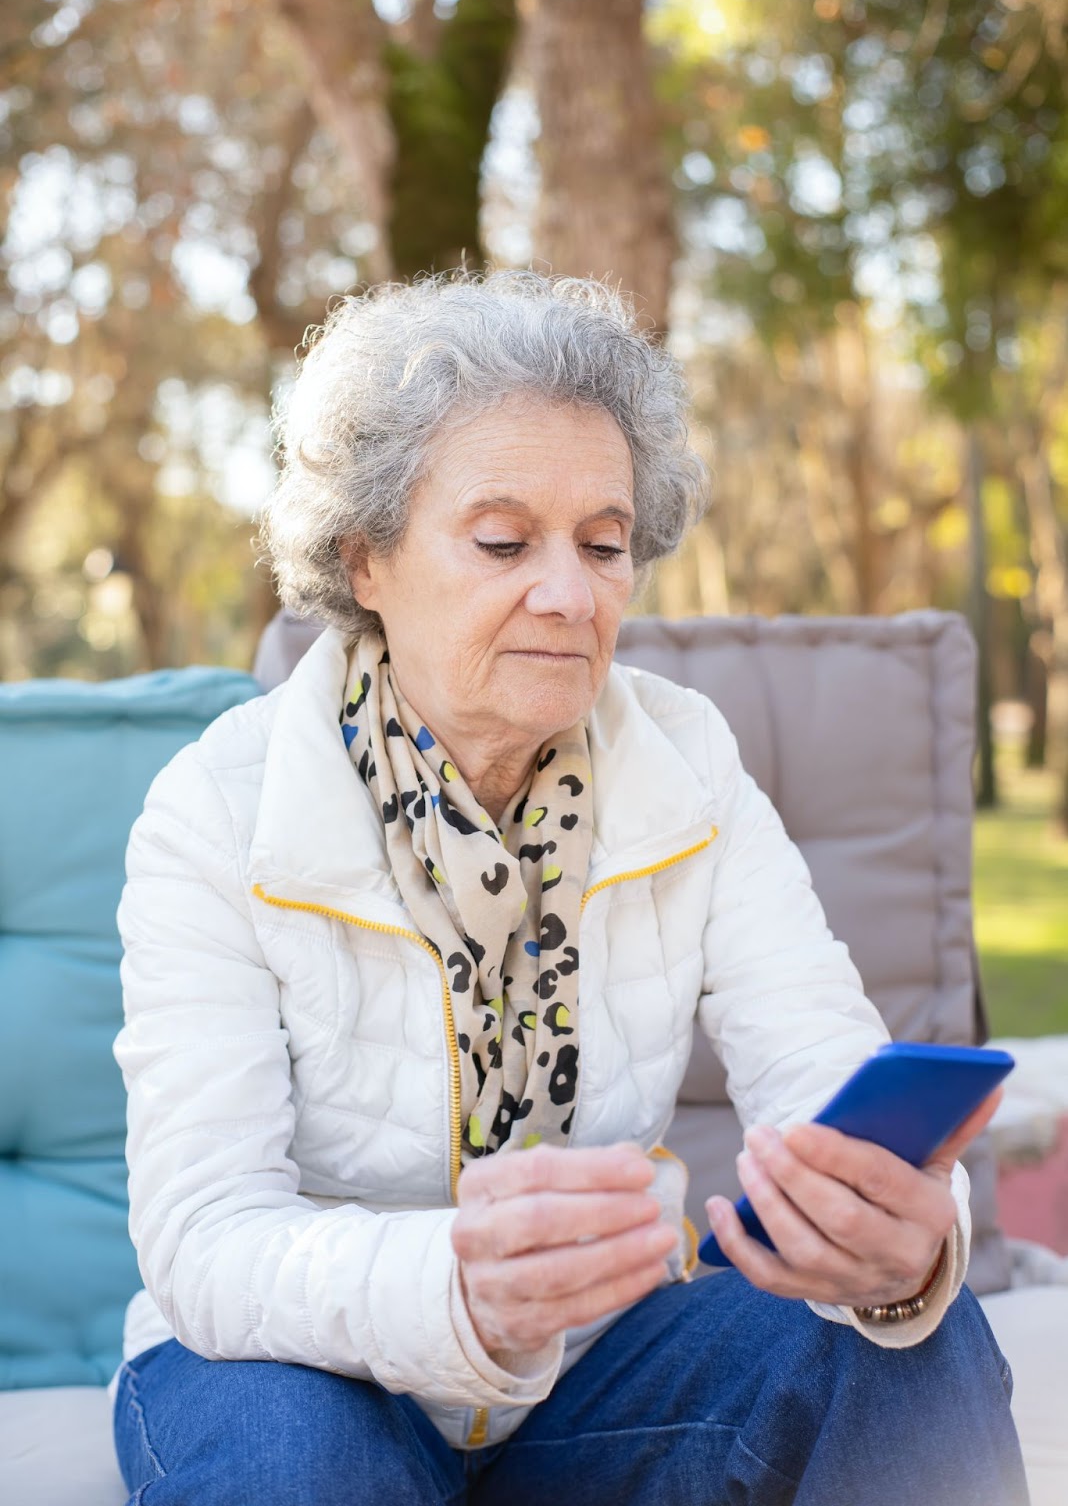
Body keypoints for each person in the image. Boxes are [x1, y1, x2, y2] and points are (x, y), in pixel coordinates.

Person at [109, 270, 1028, 1506]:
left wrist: (904, 1246)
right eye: (503, 541)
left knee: (911, 1336)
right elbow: (205, 1238)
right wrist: (457, 1285)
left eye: (605, 544)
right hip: (296, 1373)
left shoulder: (689, 766)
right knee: (300, 1460)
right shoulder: (215, 809)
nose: (570, 592)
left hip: (587, 1379)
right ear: (364, 555)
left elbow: (824, 1089)